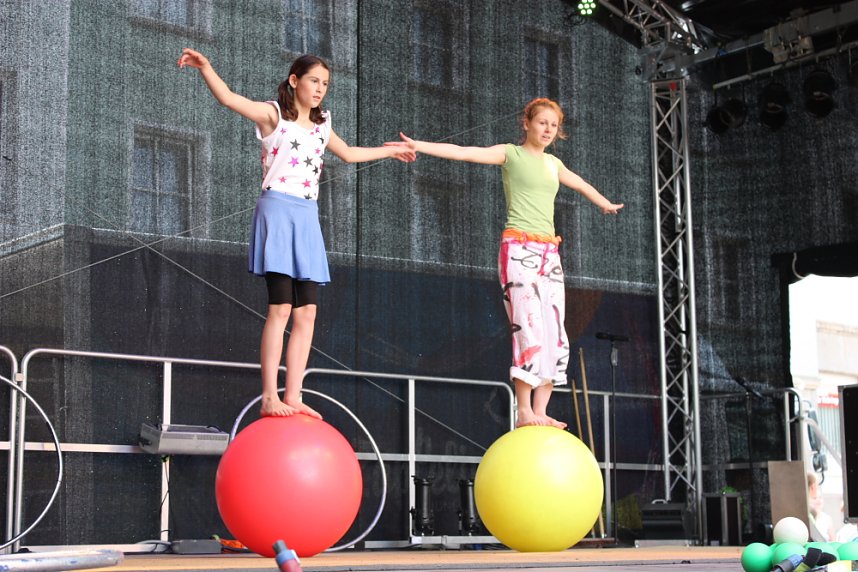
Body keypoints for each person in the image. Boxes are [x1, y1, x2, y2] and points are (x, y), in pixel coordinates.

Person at [178, 48, 415, 417]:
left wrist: (390, 152)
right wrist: (207, 67)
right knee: (281, 308)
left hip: (306, 216)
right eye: (313, 81)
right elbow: (228, 99)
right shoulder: (274, 116)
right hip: (278, 210)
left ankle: (294, 394)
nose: (320, 89)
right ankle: (270, 395)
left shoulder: (322, 124)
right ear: (294, 80)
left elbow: (348, 154)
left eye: (325, 84)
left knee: (307, 314)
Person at [387, 98, 623, 428]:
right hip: (518, 249)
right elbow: (464, 152)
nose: (548, 130)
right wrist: (419, 146)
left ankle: (541, 410)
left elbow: (581, 184)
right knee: (527, 325)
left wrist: (604, 203)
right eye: (542, 123)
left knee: (555, 331)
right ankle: (523, 410)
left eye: (553, 126)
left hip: (549, 253)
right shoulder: (510, 154)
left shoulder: (554, 164)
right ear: (526, 123)